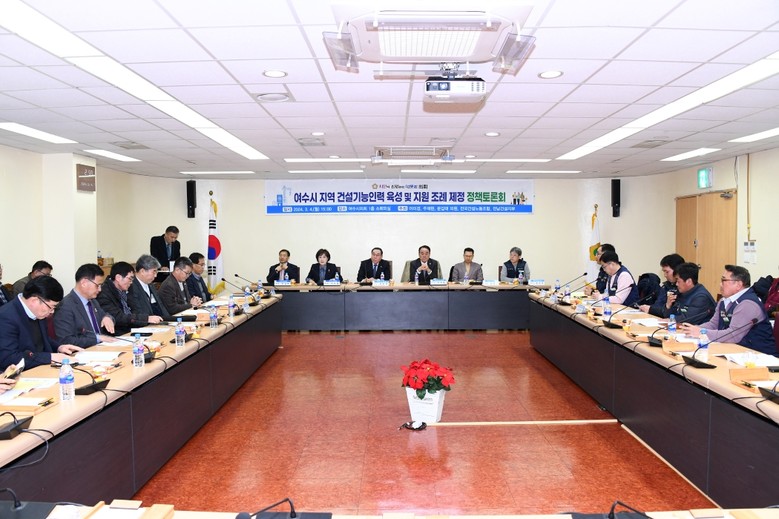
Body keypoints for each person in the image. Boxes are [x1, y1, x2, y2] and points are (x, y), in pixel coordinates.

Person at [681, 265, 776, 355]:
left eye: (724, 280)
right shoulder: (724, 301)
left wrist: (702, 332)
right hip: (737, 351)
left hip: (760, 355)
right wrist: (693, 330)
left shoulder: (748, 304)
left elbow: (733, 335)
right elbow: (713, 324)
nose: (720, 284)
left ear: (738, 285)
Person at [0, 275, 82, 370]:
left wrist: (59, 347)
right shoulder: (5, 317)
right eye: (51, 307)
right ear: (34, 300)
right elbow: (8, 358)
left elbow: (43, 339)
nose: (52, 312)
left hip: (41, 369)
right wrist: (50, 357)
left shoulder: (37, 312)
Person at [54, 263, 116, 347]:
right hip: (84, 351)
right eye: (97, 285)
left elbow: (104, 315)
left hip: (101, 348)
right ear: (84, 283)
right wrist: (97, 338)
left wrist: (107, 317)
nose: (100, 289)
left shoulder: (93, 301)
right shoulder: (65, 306)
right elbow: (66, 340)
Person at [97, 261, 164, 335]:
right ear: (118, 278)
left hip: (132, 329)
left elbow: (135, 309)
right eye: (130, 278)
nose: (131, 282)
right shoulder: (104, 293)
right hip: (117, 333)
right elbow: (118, 317)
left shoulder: (128, 288)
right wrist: (146, 319)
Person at [128, 255, 194, 322]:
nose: (156, 275)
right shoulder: (131, 287)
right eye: (154, 271)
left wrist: (169, 321)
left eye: (156, 272)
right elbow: (137, 312)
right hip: (144, 324)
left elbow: (161, 306)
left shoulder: (151, 285)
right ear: (142, 271)